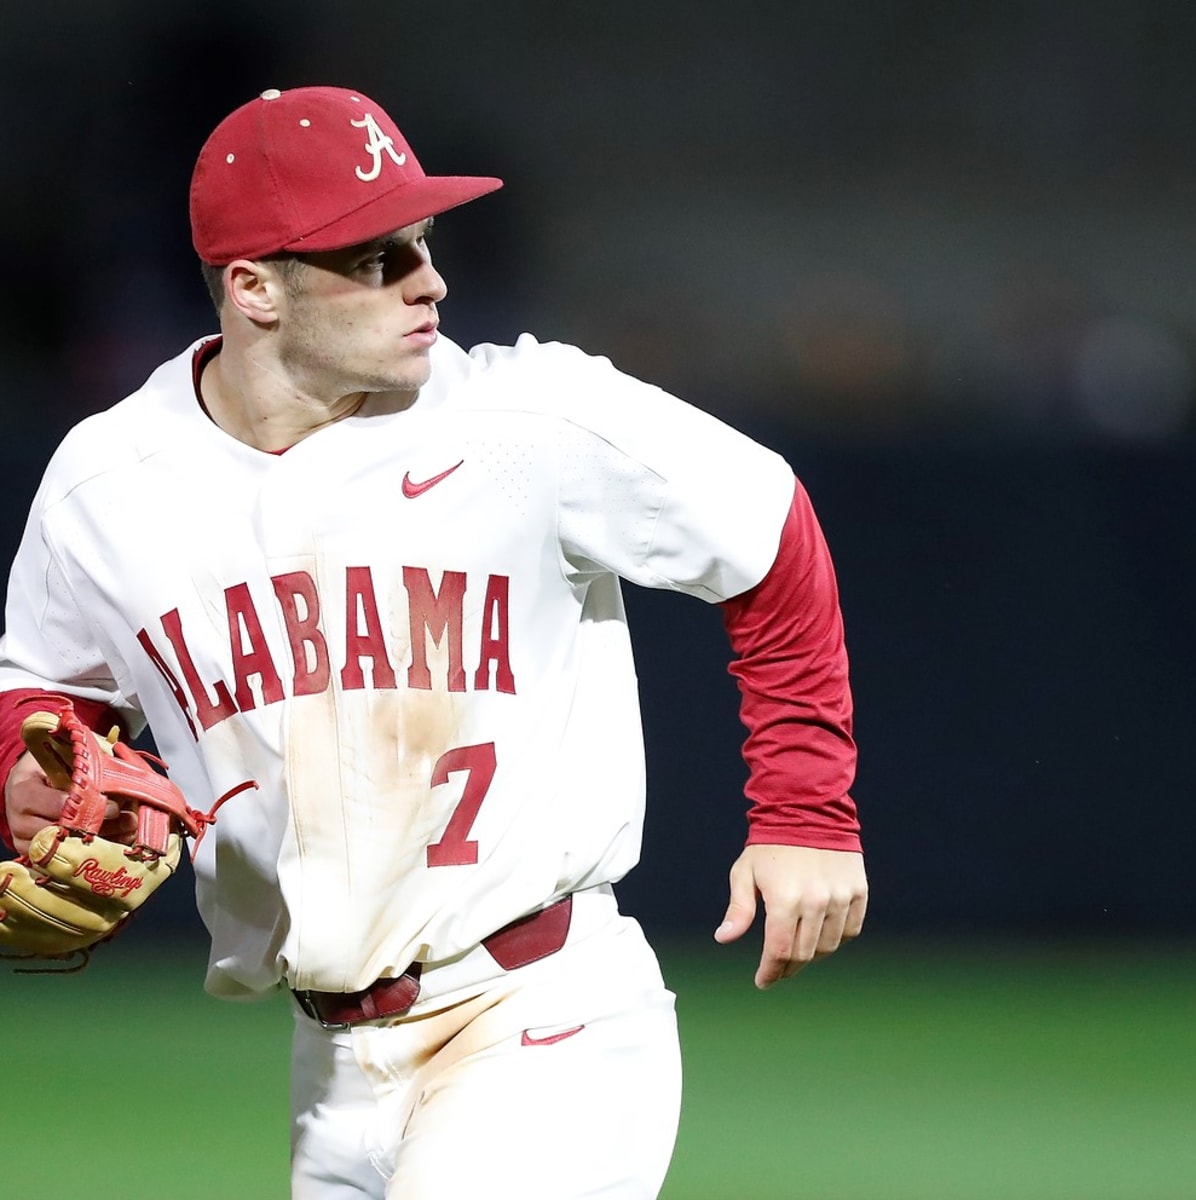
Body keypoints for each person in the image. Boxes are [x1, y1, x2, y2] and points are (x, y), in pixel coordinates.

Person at [0, 85, 868, 1199]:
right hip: (328, 1061)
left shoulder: (530, 420)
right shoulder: (105, 483)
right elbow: (45, 695)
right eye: (376, 257)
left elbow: (768, 531)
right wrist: (33, 768)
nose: (430, 281)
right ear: (254, 288)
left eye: (424, 240)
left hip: (542, 1014)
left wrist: (806, 812)